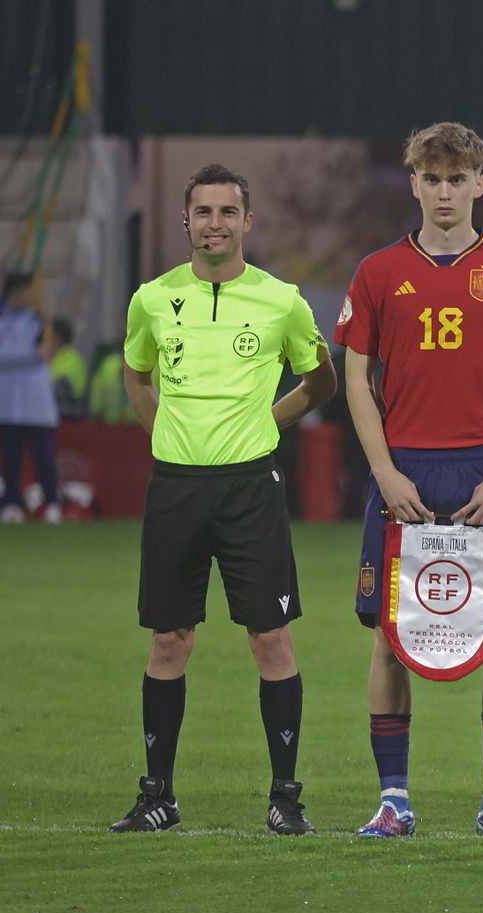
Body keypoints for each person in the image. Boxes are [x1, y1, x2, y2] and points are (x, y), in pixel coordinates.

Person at [335, 122, 483, 839]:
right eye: (433, 179)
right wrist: (384, 470)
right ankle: (393, 799)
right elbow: (356, 378)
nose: (446, 191)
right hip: (406, 475)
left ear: (480, 184)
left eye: (459, 179)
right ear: (415, 184)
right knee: (390, 638)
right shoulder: (375, 273)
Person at [112, 163, 336, 833]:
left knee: (271, 640)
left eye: (227, 212)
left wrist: (272, 420)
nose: (214, 223)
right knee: (169, 642)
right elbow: (135, 373)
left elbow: (320, 380)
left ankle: (285, 798)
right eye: (203, 211)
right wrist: (166, 434)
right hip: (176, 489)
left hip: (249, 489)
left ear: (247, 221)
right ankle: (158, 796)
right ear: (187, 221)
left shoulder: (281, 300)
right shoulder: (152, 298)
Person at [0, 273, 61, 523]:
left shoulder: (40, 322)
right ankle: (12, 504)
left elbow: (44, 352)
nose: (32, 297)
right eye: (27, 291)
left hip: (36, 404)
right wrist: (29, 356)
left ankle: (52, 503)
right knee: (9, 457)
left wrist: (14, 356)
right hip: (5, 404)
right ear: (13, 293)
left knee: (45, 457)